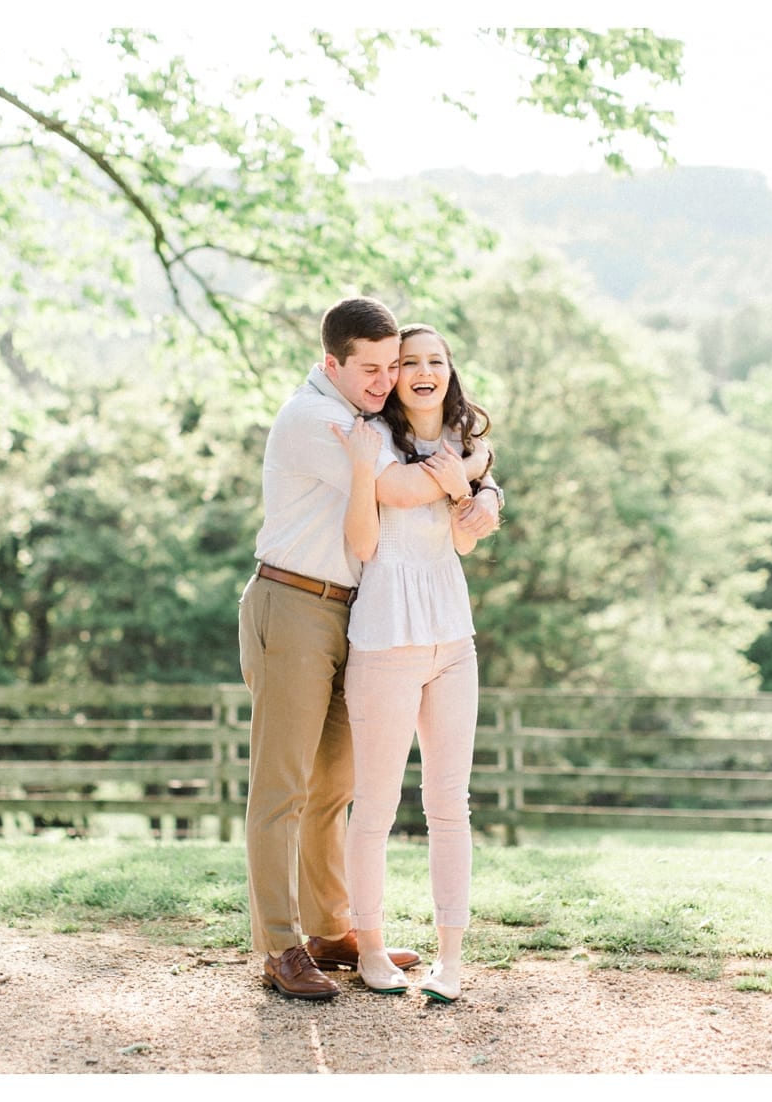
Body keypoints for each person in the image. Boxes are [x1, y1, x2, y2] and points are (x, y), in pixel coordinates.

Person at [239, 298, 500, 1000]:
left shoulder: (366, 415)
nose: (386, 380)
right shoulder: (315, 418)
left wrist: (483, 472)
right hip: (294, 602)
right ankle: (279, 945)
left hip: (352, 610)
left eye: (394, 365)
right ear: (333, 364)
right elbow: (400, 488)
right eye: (372, 368)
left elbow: (432, 450)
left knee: (333, 786)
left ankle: (330, 928)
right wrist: (472, 464)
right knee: (283, 786)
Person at [334, 322, 501, 1003]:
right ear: (394, 374)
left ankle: (451, 962)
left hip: (451, 640)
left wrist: (480, 491)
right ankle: (370, 948)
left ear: (451, 370)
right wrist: (466, 480)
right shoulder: (373, 440)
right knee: (374, 805)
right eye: (410, 361)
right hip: (384, 637)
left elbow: (466, 537)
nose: (424, 370)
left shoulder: (469, 444)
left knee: (448, 805)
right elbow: (382, 520)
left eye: (437, 359)